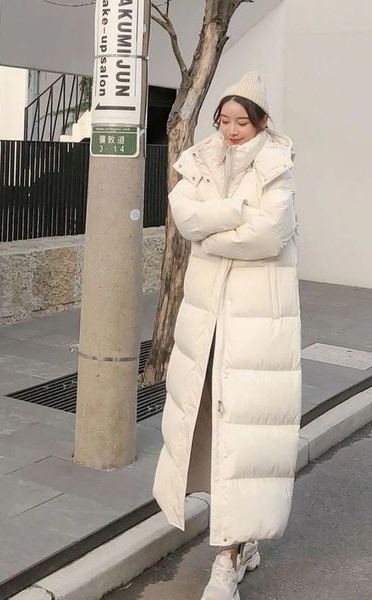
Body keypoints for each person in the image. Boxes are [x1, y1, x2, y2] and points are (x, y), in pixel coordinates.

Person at [152, 71, 302, 600]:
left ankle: (228, 558)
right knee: (210, 437)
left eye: (243, 121)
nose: (232, 129)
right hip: (205, 323)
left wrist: (215, 234)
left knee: (246, 440)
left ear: (261, 124)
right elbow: (184, 216)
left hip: (257, 324)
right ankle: (241, 544)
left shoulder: (277, 169)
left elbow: (268, 235)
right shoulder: (200, 161)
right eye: (225, 119)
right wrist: (233, 214)